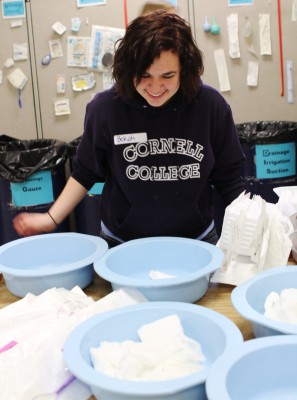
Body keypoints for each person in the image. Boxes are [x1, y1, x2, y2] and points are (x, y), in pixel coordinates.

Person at [13, 11, 246, 247]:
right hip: (122, 242)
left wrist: (257, 222)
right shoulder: (105, 109)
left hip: (196, 238)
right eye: (144, 75)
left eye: (168, 76)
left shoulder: (210, 106)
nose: (156, 87)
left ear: (184, 70)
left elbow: (229, 178)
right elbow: (85, 171)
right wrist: (51, 218)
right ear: (128, 69)